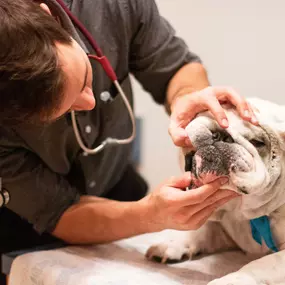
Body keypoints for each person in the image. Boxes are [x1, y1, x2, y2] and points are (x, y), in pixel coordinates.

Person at [0, 0, 257, 283]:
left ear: (50, 19)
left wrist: (187, 97)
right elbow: (60, 211)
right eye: (65, 110)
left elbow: (175, 67)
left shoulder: (113, 6)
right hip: (27, 224)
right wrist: (150, 215)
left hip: (119, 185)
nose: (90, 103)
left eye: (86, 78)